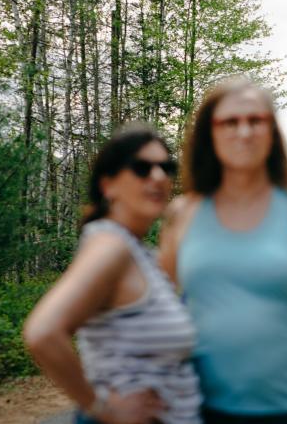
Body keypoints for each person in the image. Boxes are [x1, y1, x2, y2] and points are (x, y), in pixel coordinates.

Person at [158, 79, 287, 424]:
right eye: (230, 122)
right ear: (209, 133)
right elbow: (157, 313)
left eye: (256, 120)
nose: (244, 132)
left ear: (272, 133)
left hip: (286, 412)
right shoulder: (182, 216)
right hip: (195, 411)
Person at [23, 125, 202, 424]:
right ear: (108, 185)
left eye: (166, 167)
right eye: (142, 168)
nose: (158, 176)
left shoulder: (136, 251)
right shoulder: (111, 247)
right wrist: (101, 407)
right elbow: (42, 332)